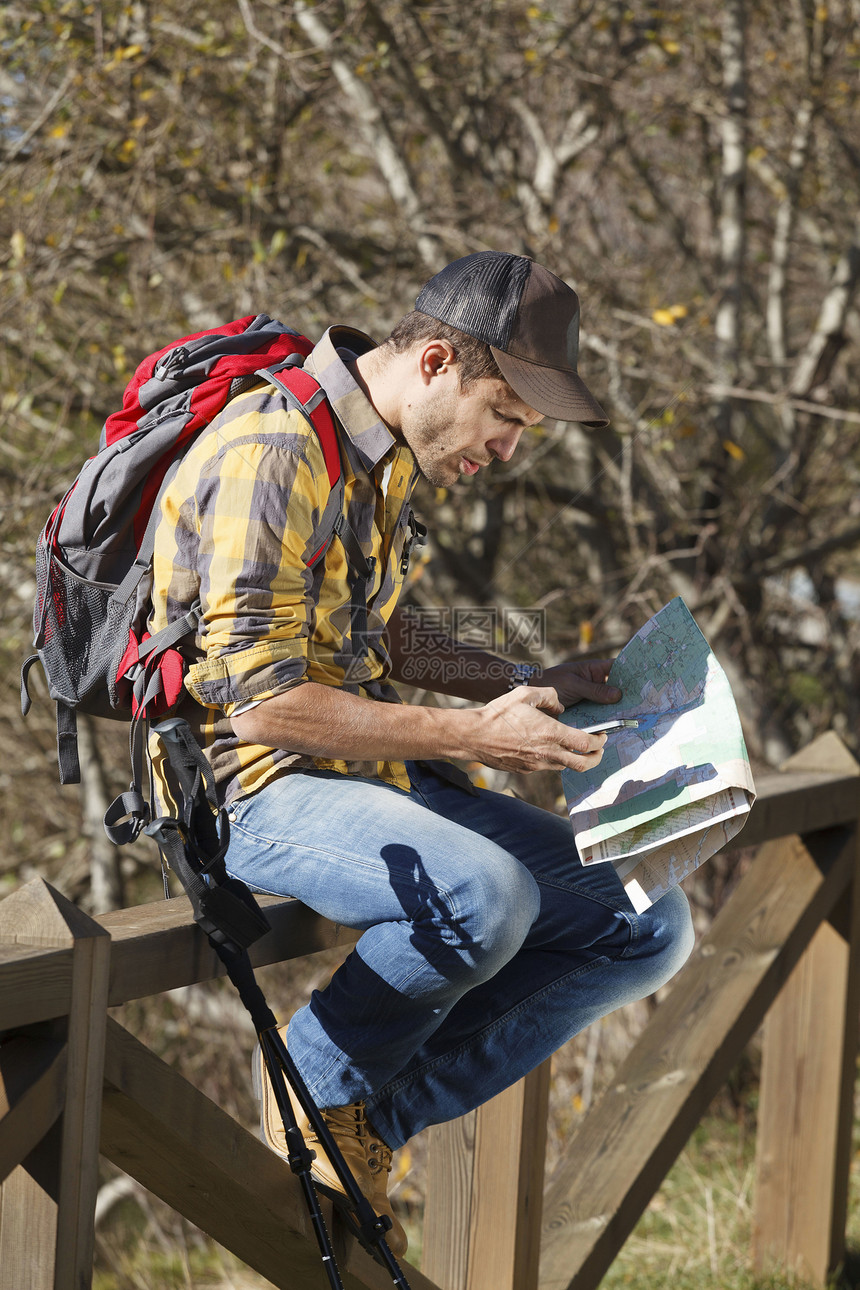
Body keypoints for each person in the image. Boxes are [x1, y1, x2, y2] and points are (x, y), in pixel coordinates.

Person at [150, 251, 694, 1256]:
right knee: (486, 894)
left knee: (647, 920)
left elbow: (386, 635)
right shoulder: (276, 448)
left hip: (368, 778)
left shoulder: (376, 456)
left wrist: (521, 680)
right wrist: (478, 735)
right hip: (252, 792)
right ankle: (314, 1083)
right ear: (437, 360)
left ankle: (364, 1124)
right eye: (506, 417)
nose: (508, 449)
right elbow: (261, 706)